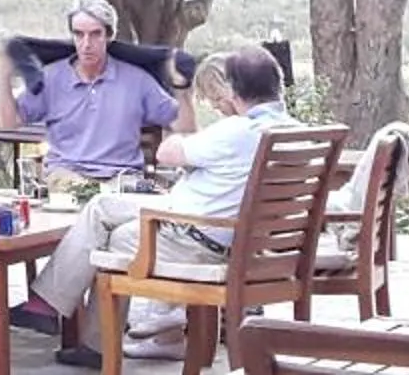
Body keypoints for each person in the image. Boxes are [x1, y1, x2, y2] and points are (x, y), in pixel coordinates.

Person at [16, 44, 293, 362]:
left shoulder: (239, 130)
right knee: (104, 211)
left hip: (196, 239)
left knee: (108, 230)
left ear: (235, 91)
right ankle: (83, 336)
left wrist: (180, 139)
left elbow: (167, 153)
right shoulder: (295, 132)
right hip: (233, 241)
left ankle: (60, 316)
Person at [0, 0, 187, 189]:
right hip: (65, 176)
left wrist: (183, 88)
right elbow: (9, 122)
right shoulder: (51, 77)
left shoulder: (137, 80)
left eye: (95, 34)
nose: (86, 44)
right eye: (79, 35)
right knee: (78, 196)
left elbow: (183, 124)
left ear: (109, 36)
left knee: (119, 204)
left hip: (121, 178)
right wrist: (3, 77)